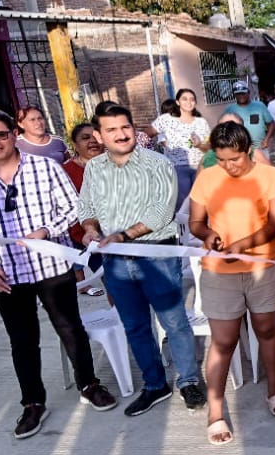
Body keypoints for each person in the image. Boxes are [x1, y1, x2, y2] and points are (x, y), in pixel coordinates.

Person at [0, 108, 116, 434]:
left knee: (70, 328)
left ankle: (89, 384)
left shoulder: (45, 167)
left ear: (13, 133)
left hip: (51, 264)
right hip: (5, 274)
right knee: (22, 340)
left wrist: (46, 231)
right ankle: (32, 402)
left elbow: (73, 208)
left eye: (0, 134)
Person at [77, 104, 205, 417]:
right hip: (115, 260)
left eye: (125, 126)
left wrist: (122, 236)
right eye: (111, 129)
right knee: (134, 325)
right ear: (99, 135)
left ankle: (189, 380)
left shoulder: (158, 163)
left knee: (174, 321)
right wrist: (91, 229)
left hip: (156, 254)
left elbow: (162, 212)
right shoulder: (94, 168)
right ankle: (155, 385)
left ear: (133, 128)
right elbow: (86, 207)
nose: (121, 134)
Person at [187, 121, 275, 443]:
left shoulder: (271, 176)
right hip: (219, 270)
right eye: (221, 159)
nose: (229, 166)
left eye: (235, 159)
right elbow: (195, 223)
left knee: (267, 329)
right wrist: (209, 235)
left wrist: (242, 246)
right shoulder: (207, 178)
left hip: (263, 265)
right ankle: (215, 410)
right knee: (223, 340)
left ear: (249, 150)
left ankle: (273, 389)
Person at [153, 87, 211, 207]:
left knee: (201, 203)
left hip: (200, 167)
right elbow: (145, 135)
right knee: (183, 203)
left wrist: (200, 145)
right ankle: (183, 225)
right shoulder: (166, 120)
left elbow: (209, 148)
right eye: (184, 99)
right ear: (177, 102)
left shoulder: (202, 122)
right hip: (178, 168)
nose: (189, 102)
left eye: (192, 99)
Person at [61, 120, 102, 192]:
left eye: (96, 136)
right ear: (75, 144)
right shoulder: (65, 172)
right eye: (85, 138)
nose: (93, 140)